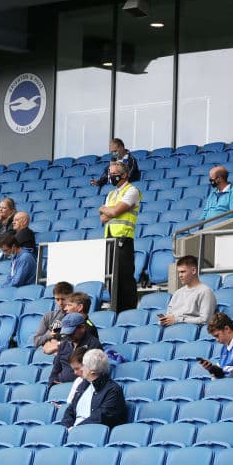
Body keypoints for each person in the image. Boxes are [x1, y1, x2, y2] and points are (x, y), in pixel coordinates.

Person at [99, 161, 140, 311]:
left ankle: (128, 310)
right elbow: (103, 218)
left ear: (124, 175)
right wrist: (109, 211)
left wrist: (106, 209)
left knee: (124, 276)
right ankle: (115, 309)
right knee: (111, 277)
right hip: (109, 239)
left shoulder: (132, 190)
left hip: (123, 238)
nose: (111, 176)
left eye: (114, 174)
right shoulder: (111, 194)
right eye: (110, 173)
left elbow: (114, 212)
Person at [60, 348, 128, 429]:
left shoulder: (113, 390)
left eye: (83, 365)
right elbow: (70, 410)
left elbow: (100, 418)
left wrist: (75, 429)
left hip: (90, 432)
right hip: (73, 431)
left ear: (92, 370)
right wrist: (65, 428)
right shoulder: (83, 385)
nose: (81, 368)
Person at [159, 255, 217, 327]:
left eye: (183, 272)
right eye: (179, 272)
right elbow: (169, 315)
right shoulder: (177, 293)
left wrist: (178, 320)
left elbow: (205, 320)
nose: (180, 275)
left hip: (190, 331)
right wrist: (165, 320)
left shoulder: (205, 292)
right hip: (173, 330)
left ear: (193, 271)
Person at [49, 312, 103, 384]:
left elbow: (94, 373)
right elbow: (55, 371)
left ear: (82, 328)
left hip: (82, 387)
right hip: (60, 386)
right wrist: (52, 383)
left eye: (72, 332)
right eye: (67, 333)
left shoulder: (93, 344)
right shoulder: (64, 344)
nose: (68, 335)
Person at [32, 281, 74, 351]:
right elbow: (36, 342)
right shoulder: (48, 316)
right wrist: (49, 335)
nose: (60, 303)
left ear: (71, 298)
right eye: (57, 299)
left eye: (63, 299)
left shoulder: (76, 317)